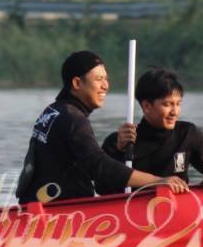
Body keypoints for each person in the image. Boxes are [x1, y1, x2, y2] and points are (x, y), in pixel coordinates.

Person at [15, 51, 190, 204]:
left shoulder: (53, 111)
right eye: (99, 79)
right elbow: (100, 167)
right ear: (77, 83)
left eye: (106, 79)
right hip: (60, 215)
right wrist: (158, 181)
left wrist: (119, 150)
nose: (105, 85)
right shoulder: (72, 118)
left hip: (38, 205)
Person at [102, 67, 203, 180]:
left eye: (178, 104)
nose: (175, 112)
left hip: (178, 205)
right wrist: (119, 152)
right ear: (146, 106)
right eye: (167, 104)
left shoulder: (187, 134)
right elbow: (102, 188)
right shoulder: (120, 142)